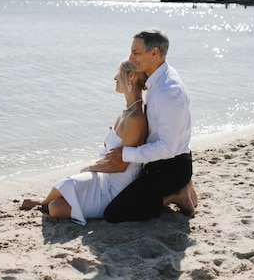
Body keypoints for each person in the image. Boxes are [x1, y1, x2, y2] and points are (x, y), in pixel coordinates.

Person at [20, 60, 148, 225]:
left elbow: (122, 166)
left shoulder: (135, 117)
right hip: (106, 176)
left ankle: (42, 202)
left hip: (115, 189)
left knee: (56, 205)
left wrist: (91, 167)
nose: (115, 78)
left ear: (131, 76)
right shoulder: (127, 111)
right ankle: (44, 201)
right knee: (62, 195)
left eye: (119, 73)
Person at [103, 29, 197, 222]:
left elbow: (167, 148)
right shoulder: (158, 78)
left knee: (114, 213)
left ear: (154, 53)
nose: (131, 58)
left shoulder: (168, 90)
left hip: (171, 168)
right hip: (158, 163)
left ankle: (177, 195)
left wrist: (125, 153)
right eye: (131, 52)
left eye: (136, 53)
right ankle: (183, 186)